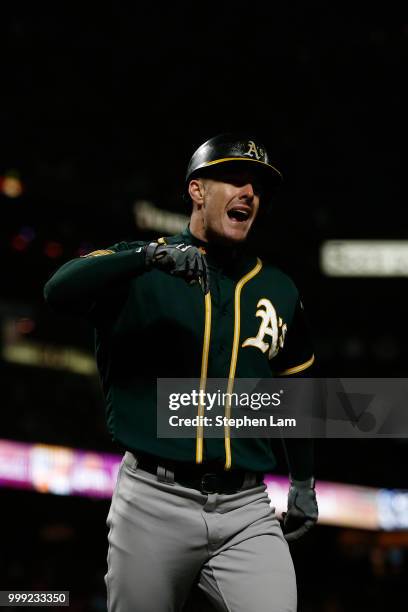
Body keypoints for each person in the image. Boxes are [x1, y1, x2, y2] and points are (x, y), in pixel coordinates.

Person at [44, 133, 318, 612]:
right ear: (196, 190)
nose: (249, 193)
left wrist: (303, 481)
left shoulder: (277, 287)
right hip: (153, 499)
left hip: (246, 509)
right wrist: (145, 257)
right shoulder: (142, 266)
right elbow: (57, 290)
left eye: (257, 185)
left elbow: (293, 392)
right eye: (234, 178)